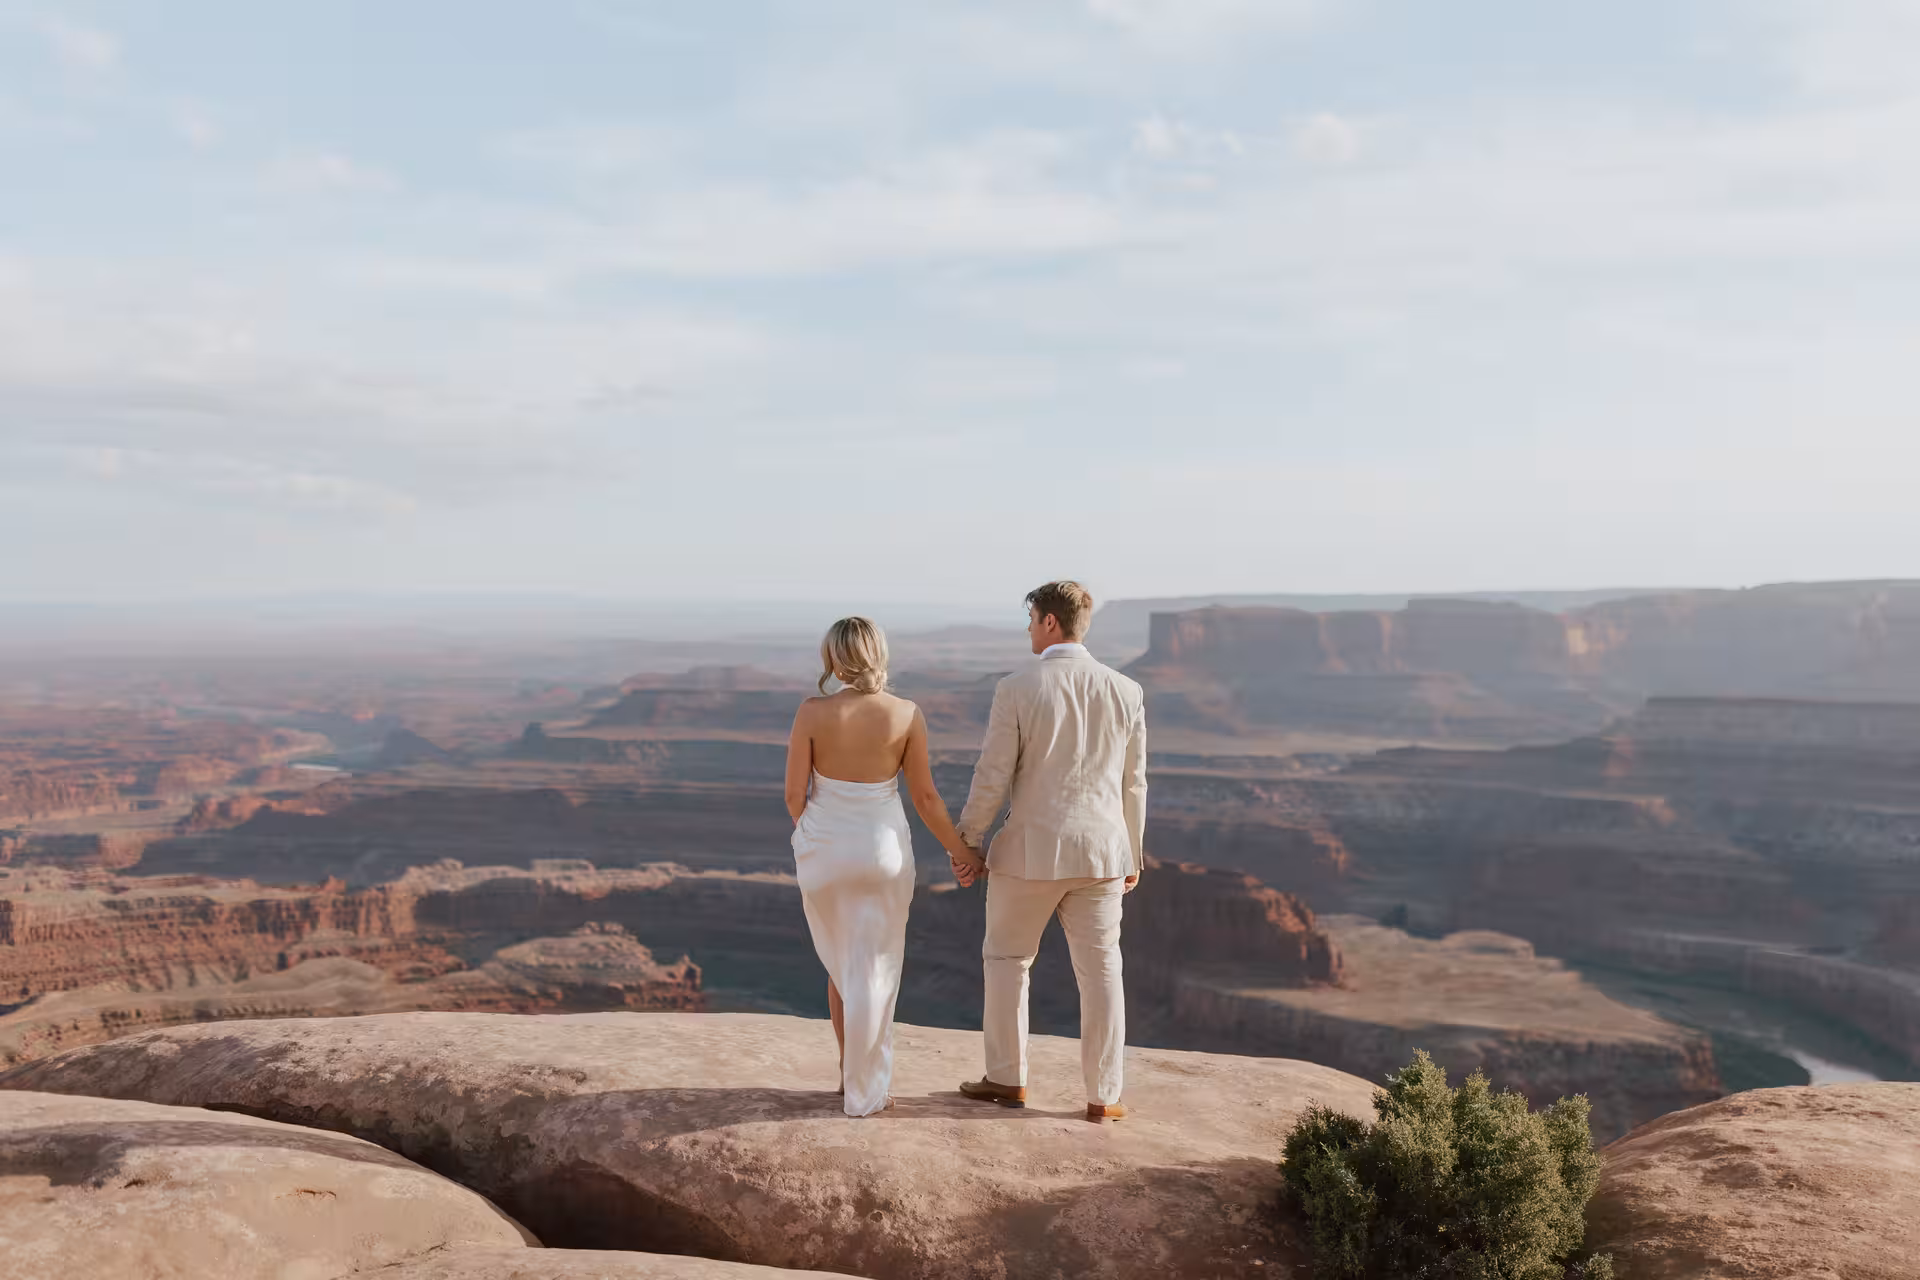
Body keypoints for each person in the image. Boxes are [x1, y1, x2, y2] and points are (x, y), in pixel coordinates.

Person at [951, 581, 1146, 1123]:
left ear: (1051, 623)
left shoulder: (1017, 687)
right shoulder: (1125, 690)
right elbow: (1135, 784)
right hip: (1104, 854)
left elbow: (993, 775)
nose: (1029, 629)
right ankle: (1104, 1096)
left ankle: (1007, 1079)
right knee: (1103, 970)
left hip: (1031, 854)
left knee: (1009, 960)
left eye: (1032, 619)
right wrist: (1133, 852)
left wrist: (969, 840)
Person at [785, 615, 981, 1117]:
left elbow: (793, 795)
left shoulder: (811, 712)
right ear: (879, 654)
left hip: (827, 852)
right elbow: (926, 797)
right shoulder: (906, 714)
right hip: (883, 853)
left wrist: (813, 835)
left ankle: (847, 1076)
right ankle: (867, 1088)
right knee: (876, 966)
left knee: (840, 962)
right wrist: (961, 852)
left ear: (833, 658)